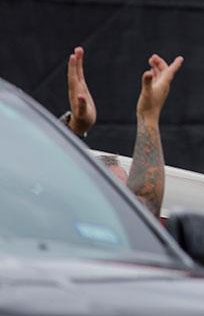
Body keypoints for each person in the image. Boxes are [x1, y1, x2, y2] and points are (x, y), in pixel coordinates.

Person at [62, 46, 183, 217]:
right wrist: (148, 118)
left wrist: (74, 128)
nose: (124, 203)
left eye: (127, 195)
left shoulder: (128, 234)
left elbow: (143, 207)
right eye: (114, 193)